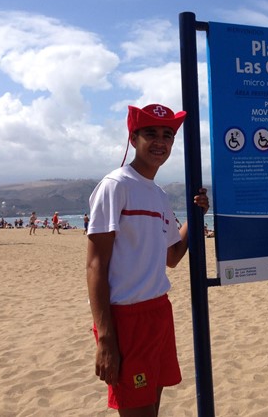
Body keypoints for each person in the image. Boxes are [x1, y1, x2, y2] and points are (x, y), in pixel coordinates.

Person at [86, 103, 209, 416]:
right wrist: (106, 337)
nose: (160, 142)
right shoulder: (115, 186)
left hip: (158, 312)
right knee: (136, 410)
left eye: (167, 135)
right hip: (126, 318)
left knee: (151, 407)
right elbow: (95, 265)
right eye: (150, 133)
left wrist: (195, 216)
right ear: (133, 138)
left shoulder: (158, 194)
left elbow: (172, 256)